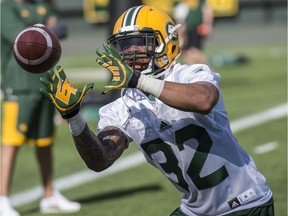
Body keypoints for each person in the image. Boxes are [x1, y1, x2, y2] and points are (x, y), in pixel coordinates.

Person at [40, 5, 274, 216]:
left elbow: (204, 100)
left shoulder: (189, 75)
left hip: (245, 203)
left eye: (141, 43)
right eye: (124, 46)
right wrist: (74, 119)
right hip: (194, 209)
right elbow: (100, 159)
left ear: (166, 41)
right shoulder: (122, 106)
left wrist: (139, 81)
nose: (131, 53)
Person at [0, 0, 80, 215]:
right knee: (11, 142)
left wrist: (42, 30)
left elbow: (60, 30)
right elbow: (26, 41)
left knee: (45, 141)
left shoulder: (43, 5)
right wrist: (45, 29)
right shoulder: (6, 7)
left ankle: (49, 195)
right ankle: (2, 199)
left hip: (46, 81)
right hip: (19, 85)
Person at [173, 0, 214, 64]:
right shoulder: (181, 4)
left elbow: (207, 10)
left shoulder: (200, 2)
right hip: (186, 30)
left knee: (192, 51)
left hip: (195, 28)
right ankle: (194, 71)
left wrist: (208, 24)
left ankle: (208, 69)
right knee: (187, 53)